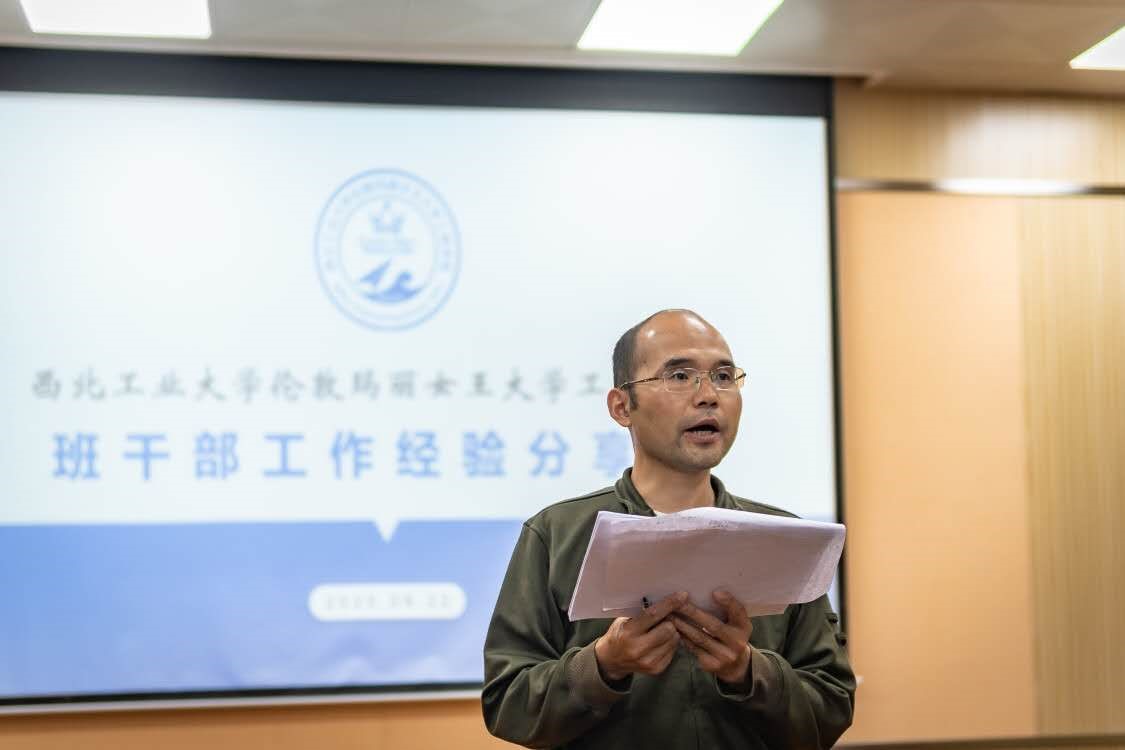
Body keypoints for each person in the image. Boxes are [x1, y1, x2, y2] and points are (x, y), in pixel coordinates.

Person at [482, 309, 855, 749]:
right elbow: (507, 703)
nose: (708, 396)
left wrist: (748, 671)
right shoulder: (557, 534)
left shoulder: (783, 540)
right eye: (679, 376)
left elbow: (831, 707)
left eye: (723, 376)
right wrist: (602, 665)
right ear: (622, 406)